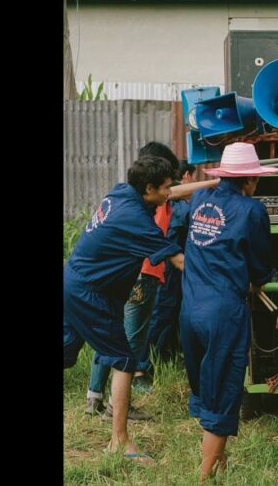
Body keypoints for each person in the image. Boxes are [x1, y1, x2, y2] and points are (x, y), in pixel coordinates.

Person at [63, 156, 184, 462]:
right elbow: (179, 261)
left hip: (74, 282)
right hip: (90, 294)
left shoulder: (122, 192)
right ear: (149, 188)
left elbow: (173, 192)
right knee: (124, 360)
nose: (170, 193)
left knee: (65, 352)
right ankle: (119, 441)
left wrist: (214, 184)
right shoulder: (136, 221)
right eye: (166, 188)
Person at [180, 142, 278, 482]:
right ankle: (204, 477)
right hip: (224, 312)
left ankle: (219, 464)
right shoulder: (252, 210)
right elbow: (260, 264)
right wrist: (263, 279)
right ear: (250, 179)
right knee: (223, 393)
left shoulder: (199, 201)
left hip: (191, 309)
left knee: (208, 388)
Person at [85, 142, 185, 416]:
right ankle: (119, 406)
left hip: (123, 275)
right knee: (130, 343)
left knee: (109, 334)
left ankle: (94, 396)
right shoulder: (154, 201)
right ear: (154, 184)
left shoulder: (128, 195)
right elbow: (179, 194)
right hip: (145, 275)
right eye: (168, 182)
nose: (170, 188)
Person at [146, 159, 197, 362]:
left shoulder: (164, 199)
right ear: (186, 176)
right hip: (170, 268)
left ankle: (162, 357)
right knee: (163, 313)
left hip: (166, 266)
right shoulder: (178, 203)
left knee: (166, 313)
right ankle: (148, 361)